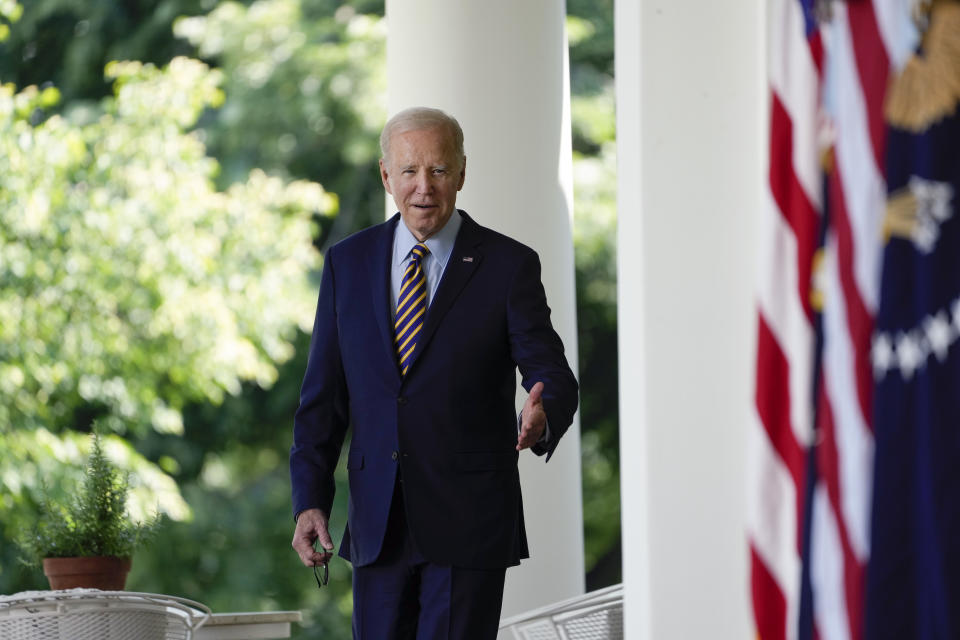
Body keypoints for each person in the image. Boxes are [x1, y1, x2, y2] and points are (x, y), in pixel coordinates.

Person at [290, 106, 579, 639]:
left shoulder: (508, 265)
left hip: (468, 525)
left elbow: (552, 371)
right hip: (378, 525)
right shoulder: (347, 265)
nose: (424, 187)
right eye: (409, 171)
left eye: (440, 171)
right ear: (385, 175)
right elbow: (322, 399)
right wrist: (309, 501)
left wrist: (543, 411)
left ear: (462, 174)